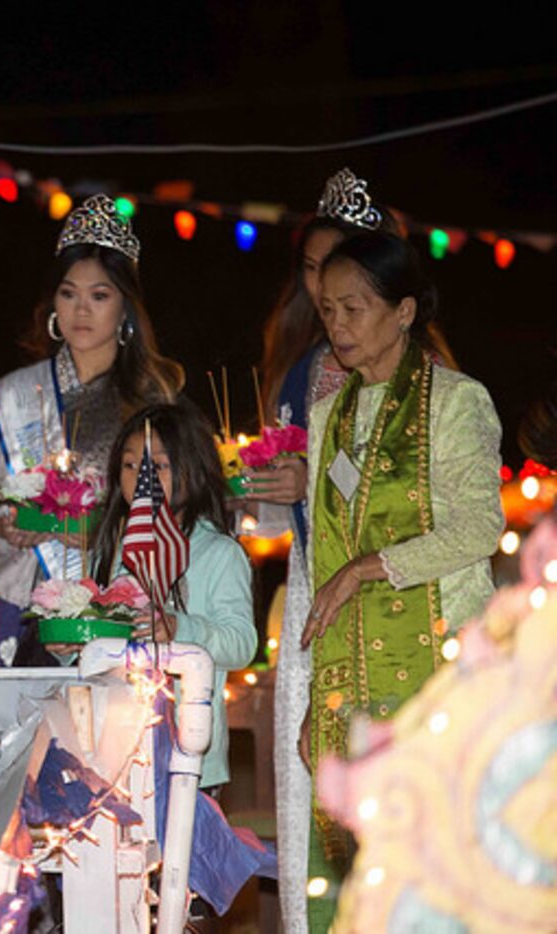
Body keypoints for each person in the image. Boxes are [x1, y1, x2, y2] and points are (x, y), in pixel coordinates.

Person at [299, 232, 502, 930]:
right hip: (345, 690)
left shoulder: (455, 403)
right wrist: (312, 704)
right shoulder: (327, 416)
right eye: (327, 309)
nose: (338, 325)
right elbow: (326, 566)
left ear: (405, 311)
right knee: (353, 890)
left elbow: (479, 527)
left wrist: (373, 567)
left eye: (354, 308)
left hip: (436, 676)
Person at [244, 168, 390, 931]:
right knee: (311, 787)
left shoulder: (430, 379)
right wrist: (262, 490)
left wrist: (318, 482)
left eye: (342, 277)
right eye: (311, 273)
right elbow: (283, 515)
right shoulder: (300, 369)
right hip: (311, 592)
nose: (325, 295)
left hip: (394, 597)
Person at [0, 194, 183, 667]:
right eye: (69, 294)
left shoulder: (156, 401)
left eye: (100, 296)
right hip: (30, 603)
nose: (81, 311)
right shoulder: (19, 395)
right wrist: (7, 526)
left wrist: (97, 527)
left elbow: (176, 517)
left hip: (122, 604)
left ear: (125, 307)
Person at [92, 402, 257, 790]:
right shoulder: (111, 551)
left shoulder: (220, 554)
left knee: (182, 849)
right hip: (115, 750)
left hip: (188, 754)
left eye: (159, 466)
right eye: (130, 465)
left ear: (192, 469)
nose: (142, 477)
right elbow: (97, 633)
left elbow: (241, 642)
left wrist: (180, 627)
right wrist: (71, 644)